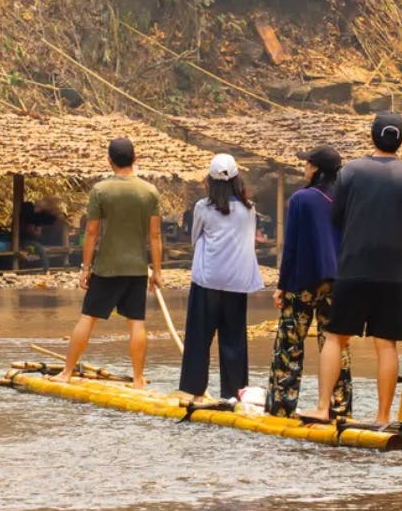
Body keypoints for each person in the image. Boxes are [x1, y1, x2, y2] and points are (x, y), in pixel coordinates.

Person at [302, 111, 402, 426]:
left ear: (372, 136)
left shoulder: (350, 172)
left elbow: (337, 217)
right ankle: (383, 416)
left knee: (336, 338)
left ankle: (322, 407)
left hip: (353, 269)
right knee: (385, 344)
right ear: (400, 140)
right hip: (390, 274)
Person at [54, 138, 163, 389]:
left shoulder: (101, 190)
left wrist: (85, 268)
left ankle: (67, 373)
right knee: (136, 322)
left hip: (107, 268)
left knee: (88, 318)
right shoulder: (149, 192)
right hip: (137, 269)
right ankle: (137, 380)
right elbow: (155, 235)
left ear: (109, 161)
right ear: (135, 159)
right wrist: (157, 271)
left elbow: (91, 233)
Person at [265, 144, 352, 418]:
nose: (304, 168)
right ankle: (339, 407)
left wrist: (282, 285)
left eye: (307, 163)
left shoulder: (301, 199)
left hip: (302, 280)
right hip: (338, 281)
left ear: (315, 169)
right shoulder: (347, 198)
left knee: (289, 344)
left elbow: (290, 248)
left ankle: (282, 405)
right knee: (335, 343)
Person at [177, 154, 264, 400]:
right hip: (237, 281)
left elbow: (195, 238)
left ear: (210, 181)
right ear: (237, 179)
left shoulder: (203, 207)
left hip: (208, 279)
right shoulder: (249, 209)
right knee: (233, 339)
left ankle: (195, 391)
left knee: (199, 337)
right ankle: (233, 393)